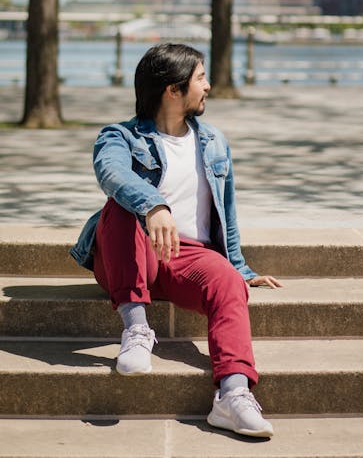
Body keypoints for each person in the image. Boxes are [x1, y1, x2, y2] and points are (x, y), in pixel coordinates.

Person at [70, 42, 282, 438]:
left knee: (227, 283)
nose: (208, 85)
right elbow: (111, 174)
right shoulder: (119, 136)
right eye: (200, 77)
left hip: (188, 257)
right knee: (118, 208)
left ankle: (232, 396)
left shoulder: (213, 141)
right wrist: (153, 206)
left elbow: (227, 212)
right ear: (173, 89)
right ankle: (136, 329)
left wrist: (240, 267)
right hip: (128, 251)